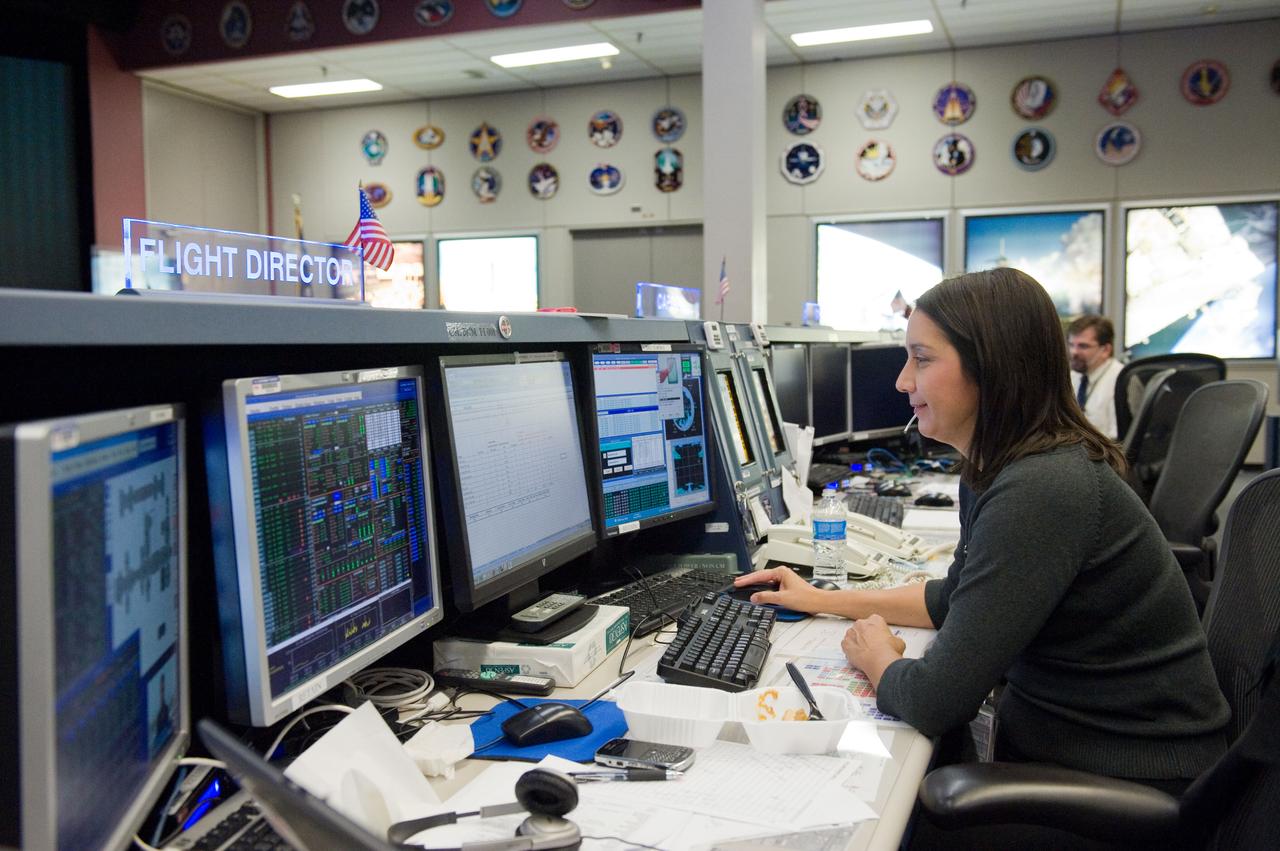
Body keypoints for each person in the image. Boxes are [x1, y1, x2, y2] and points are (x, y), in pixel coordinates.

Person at [736, 268, 1227, 794]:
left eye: (921, 359)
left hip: (1126, 777)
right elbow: (954, 599)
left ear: (991, 369)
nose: (903, 381)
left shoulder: (1042, 488)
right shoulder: (1002, 467)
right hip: (1073, 748)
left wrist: (876, 653)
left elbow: (933, 701)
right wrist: (823, 599)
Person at [1067, 314, 1122, 439]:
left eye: (1083, 346)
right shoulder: (1074, 376)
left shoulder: (1120, 381)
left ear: (1106, 350)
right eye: (1071, 345)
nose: (1074, 352)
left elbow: (1119, 439)